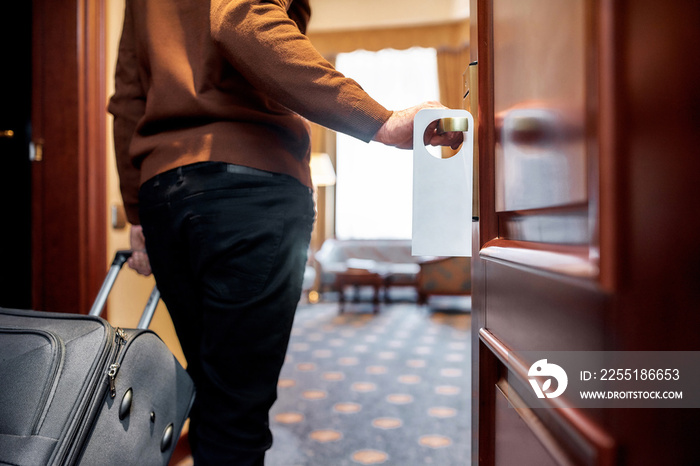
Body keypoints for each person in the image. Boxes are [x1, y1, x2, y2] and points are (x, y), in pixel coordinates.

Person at [108, 0, 463, 464]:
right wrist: (377, 120)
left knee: (215, 394)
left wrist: (137, 212)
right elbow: (242, 18)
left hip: (166, 197)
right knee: (236, 408)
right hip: (249, 188)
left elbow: (129, 94)